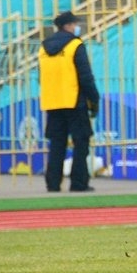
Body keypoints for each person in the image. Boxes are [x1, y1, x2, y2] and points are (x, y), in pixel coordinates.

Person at [40, 11, 100, 192]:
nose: (76, 27)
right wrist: (94, 98)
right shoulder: (75, 45)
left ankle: (53, 184)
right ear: (68, 26)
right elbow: (85, 76)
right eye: (75, 24)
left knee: (57, 144)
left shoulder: (44, 48)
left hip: (52, 102)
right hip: (74, 101)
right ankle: (78, 183)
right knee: (81, 142)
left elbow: (41, 77)